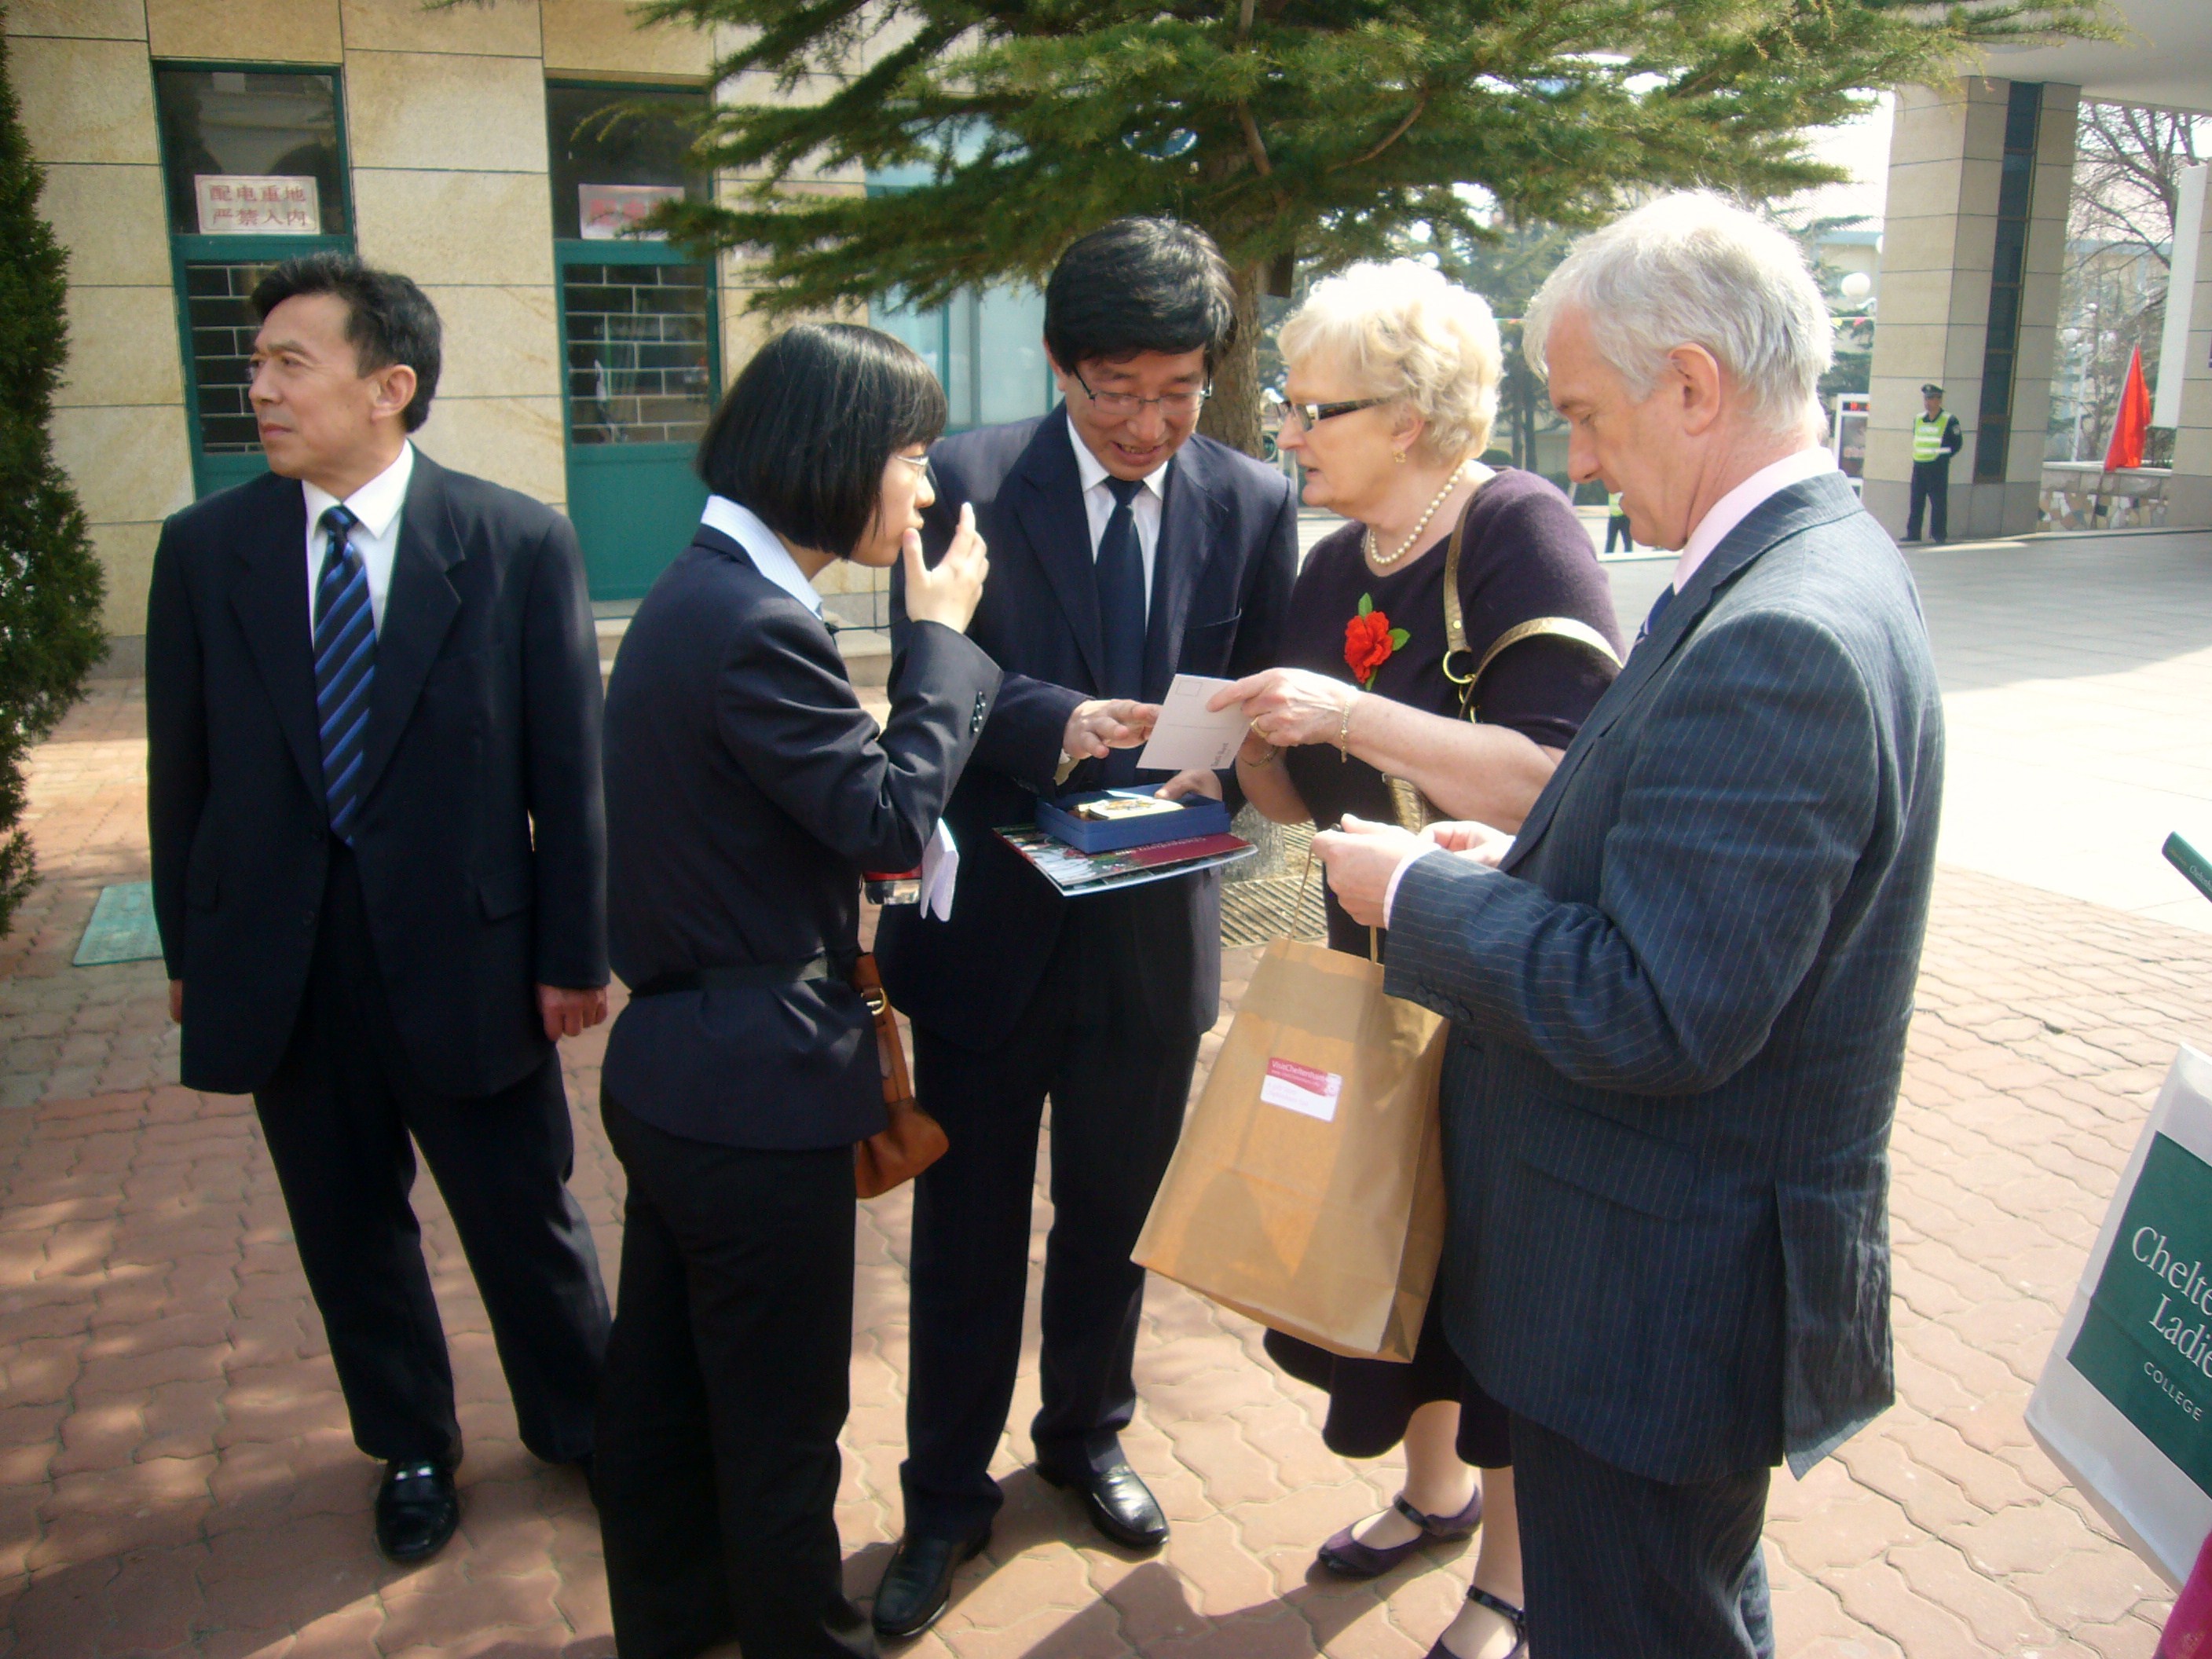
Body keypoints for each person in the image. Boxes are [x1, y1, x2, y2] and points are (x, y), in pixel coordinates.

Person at [1313, 192, 1943, 1659]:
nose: (1576, 457)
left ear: (1694, 386)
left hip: (1652, 1301)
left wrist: (1421, 895)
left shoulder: (1779, 624)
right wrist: (1530, 857)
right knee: (1681, 1610)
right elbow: (1688, 884)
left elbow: (1663, 1010)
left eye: (1588, 416)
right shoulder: (1800, 565)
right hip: (1661, 1281)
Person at [144, 254, 611, 1563]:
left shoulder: (516, 542)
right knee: (346, 1222)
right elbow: (179, 770)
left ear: (389, 386)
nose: (262, 389)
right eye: (259, 364)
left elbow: (568, 776)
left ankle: (584, 1419)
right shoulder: (205, 551)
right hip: (283, 961)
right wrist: (195, 949)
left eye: (293, 362)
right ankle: (410, 1442)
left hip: (467, 956)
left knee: (526, 1216)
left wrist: (573, 951)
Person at [869, 217, 1298, 1639]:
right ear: (1059, 363)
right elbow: (934, 681)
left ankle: (1085, 1432)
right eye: (1112, 389)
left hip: (1152, 928)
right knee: (971, 1225)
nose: (1143, 424)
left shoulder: (1246, 495)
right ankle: (942, 1495)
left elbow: (1249, 679)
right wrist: (1059, 725)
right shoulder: (971, 484)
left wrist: (1221, 749)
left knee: (1116, 1215)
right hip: (997, 929)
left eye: (1176, 390)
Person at [1218, 259, 1621, 1659]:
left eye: (1313, 406)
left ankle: (1509, 1579)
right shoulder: (1334, 563)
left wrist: (1354, 714)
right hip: (1369, 972)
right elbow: (1298, 806)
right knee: (1397, 1247)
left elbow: (1559, 785)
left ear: (1412, 414)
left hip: (1489, 985)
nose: (1288, 430)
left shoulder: (1519, 528)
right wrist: (1257, 748)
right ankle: (1433, 1493)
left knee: (1495, 1280)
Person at [593, 323, 999, 1659]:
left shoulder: (711, 589)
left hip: (681, 1068)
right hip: (749, 1082)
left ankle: (675, 1620)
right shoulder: (752, 616)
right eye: (910, 453)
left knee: (663, 1394)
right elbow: (885, 819)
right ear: (835, 454)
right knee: (775, 1424)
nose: (925, 490)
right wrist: (939, 641)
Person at [1904, 382, 1962, 542]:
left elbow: (1957, 444)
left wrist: (1943, 457)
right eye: (1926, 399)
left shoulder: (1949, 420)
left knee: (1938, 502)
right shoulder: (1918, 419)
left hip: (1937, 466)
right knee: (1916, 501)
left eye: (1931, 399)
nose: (1927, 402)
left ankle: (1938, 534)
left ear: (1939, 400)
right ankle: (1913, 534)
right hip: (1919, 465)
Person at [1604, 487, 1635, 552]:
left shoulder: (1624, 488)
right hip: (1614, 517)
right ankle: (1608, 557)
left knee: (1627, 540)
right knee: (1611, 541)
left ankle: (1628, 556)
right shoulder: (1612, 488)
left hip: (1624, 517)